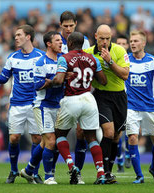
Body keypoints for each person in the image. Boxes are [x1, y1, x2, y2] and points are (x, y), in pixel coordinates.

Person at [0, 25, 45, 184]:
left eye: (19, 35)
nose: (15, 37)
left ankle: (33, 172)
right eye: (15, 35)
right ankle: (13, 170)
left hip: (35, 103)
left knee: (37, 138)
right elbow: (4, 77)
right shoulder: (12, 57)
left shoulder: (41, 56)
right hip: (17, 103)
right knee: (14, 138)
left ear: (28, 37)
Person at [52, 32, 107, 184]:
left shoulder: (64, 58)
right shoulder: (93, 58)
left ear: (69, 43)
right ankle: (101, 173)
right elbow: (103, 81)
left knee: (59, 134)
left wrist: (47, 82)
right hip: (89, 99)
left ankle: (71, 165)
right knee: (91, 138)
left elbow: (58, 80)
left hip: (71, 99)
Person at [84, 24, 130, 183]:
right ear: (95, 36)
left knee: (116, 136)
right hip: (101, 96)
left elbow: (125, 75)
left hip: (119, 97)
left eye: (107, 39)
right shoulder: (88, 53)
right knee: (108, 132)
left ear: (112, 37)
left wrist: (110, 62)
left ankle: (108, 171)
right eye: (101, 38)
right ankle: (101, 171)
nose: (104, 42)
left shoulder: (119, 51)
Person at [20, 31, 63, 185]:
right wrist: (55, 81)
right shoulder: (41, 62)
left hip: (58, 105)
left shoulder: (63, 59)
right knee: (50, 140)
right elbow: (38, 85)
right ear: (49, 44)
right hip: (43, 106)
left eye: (61, 40)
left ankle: (29, 170)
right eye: (57, 40)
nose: (60, 43)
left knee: (46, 142)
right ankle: (48, 176)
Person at [126, 30, 154, 184]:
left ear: (143, 43)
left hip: (150, 106)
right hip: (130, 105)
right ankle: (139, 175)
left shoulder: (152, 60)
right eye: (131, 41)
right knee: (132, 137)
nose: (132, 44)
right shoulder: (125, 60)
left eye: (136, 41)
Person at [59, 11, 90, 181]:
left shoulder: (83, 41)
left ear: (76, 24)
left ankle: (77, 173)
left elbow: (86, 61)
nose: (69, 29)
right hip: (60, 93)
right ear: (60, 26)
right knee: (56, 133)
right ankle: (50, 174)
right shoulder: (56, 40)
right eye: (66, 26)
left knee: (80, 133)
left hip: (79, 92)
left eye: (71, 25)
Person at [115, 34, 131, 171]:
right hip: (117, 98)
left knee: (130, 131)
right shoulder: (113, 59)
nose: (121, 45)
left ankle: (127, 155)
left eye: (123, 43)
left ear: (127, 46)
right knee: (118, 131)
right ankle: (120, 159)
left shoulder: (132, 61)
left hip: (131, 100)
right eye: (118, 43)